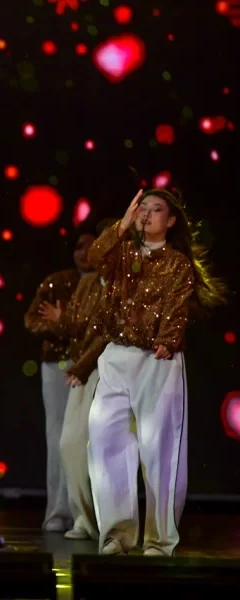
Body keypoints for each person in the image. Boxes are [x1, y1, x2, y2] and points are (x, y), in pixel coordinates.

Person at [86, 189, 228, 556]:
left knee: (159, 449)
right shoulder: (121, 252)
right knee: (105, 441)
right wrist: (121, 225)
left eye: (156, 209)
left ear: (171, 220)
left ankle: (159, 540)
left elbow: (177, 303)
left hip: (157, 361)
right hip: (116, 355)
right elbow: (94, 256)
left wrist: (168, 338)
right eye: (142, 209)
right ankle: (117, 535)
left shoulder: (177, 263)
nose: (147, 215)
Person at [38, 218, 116, 541]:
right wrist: (60, 320)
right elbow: (77, 326)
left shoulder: (124, 283)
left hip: (107, 369)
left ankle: (108, 522)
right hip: (83, 370)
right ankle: (81, 518)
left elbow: (109, 332)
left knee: (104, 447)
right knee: (69, 442)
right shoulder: (87, 284)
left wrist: (81, 365)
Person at [24, 233, 91, 532]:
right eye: (79, 247)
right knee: (58, 437)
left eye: (92, 246)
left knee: (86, 439)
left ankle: (85, 514)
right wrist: (61, 326)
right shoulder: (57, 282)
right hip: (58, 365)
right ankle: (58, 512)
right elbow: (32, 320)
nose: (85, 253)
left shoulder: (108, 284)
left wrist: (64, 322)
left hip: (93, 365)